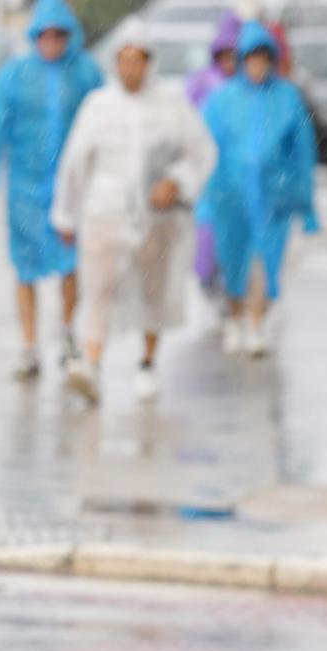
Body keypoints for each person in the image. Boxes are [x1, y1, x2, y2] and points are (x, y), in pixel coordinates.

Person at [51, 24, 217, 404]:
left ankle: (147, 362)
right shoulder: (98, 106)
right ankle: (92, 363)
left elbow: (202, 152)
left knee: (153, 291)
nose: (130, 69)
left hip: (156, 218)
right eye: (123, 60)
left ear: (148, 63)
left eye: (136, 60)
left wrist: (176, 181)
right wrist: (65, 214)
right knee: (98, 289)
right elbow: (74, 163)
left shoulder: (171, 105)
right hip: (105, 211)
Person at [0, 0, 105, 381]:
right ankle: (29, 346)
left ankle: (68, 332)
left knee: (71, 266)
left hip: (73, 189)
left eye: (59, 35)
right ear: (35, 35)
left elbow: (108, 127)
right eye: (45, 34)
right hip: (25, 190)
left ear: (70, 35)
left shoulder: (86, 74)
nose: (52, 42)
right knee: (25, 269)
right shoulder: (15, 76)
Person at [199, 21, 319, 357]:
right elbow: (204, 148)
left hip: (273, 197)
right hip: (230, 196)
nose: (257, 66)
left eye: (262, 58)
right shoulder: (221, 100)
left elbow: (302, 149)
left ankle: (256, 324)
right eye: (250, 58)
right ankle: (234, 318)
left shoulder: (286, 98)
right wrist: (206, 198)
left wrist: (304, 199)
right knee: (232, 260)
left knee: (266, 261)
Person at [184, 11, 242, 298]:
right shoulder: (202, 81)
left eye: (235, 54)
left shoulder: (249, 87)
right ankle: (207, 281)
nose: (230, 60)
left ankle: (232, 288)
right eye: (225, 54)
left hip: (239, 172)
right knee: (207, 232)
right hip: (208, 170)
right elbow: (185, 118)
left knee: (236, 235)